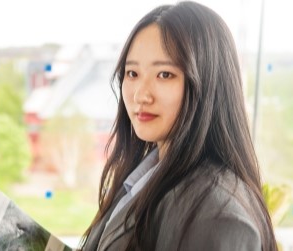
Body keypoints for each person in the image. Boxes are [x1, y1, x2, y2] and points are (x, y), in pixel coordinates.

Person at [79, 1, 277, 250]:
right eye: (132, 73)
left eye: (164, 74)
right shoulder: (144, 176)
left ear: (208, 84)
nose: (141, 95)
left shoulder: (218, 216)